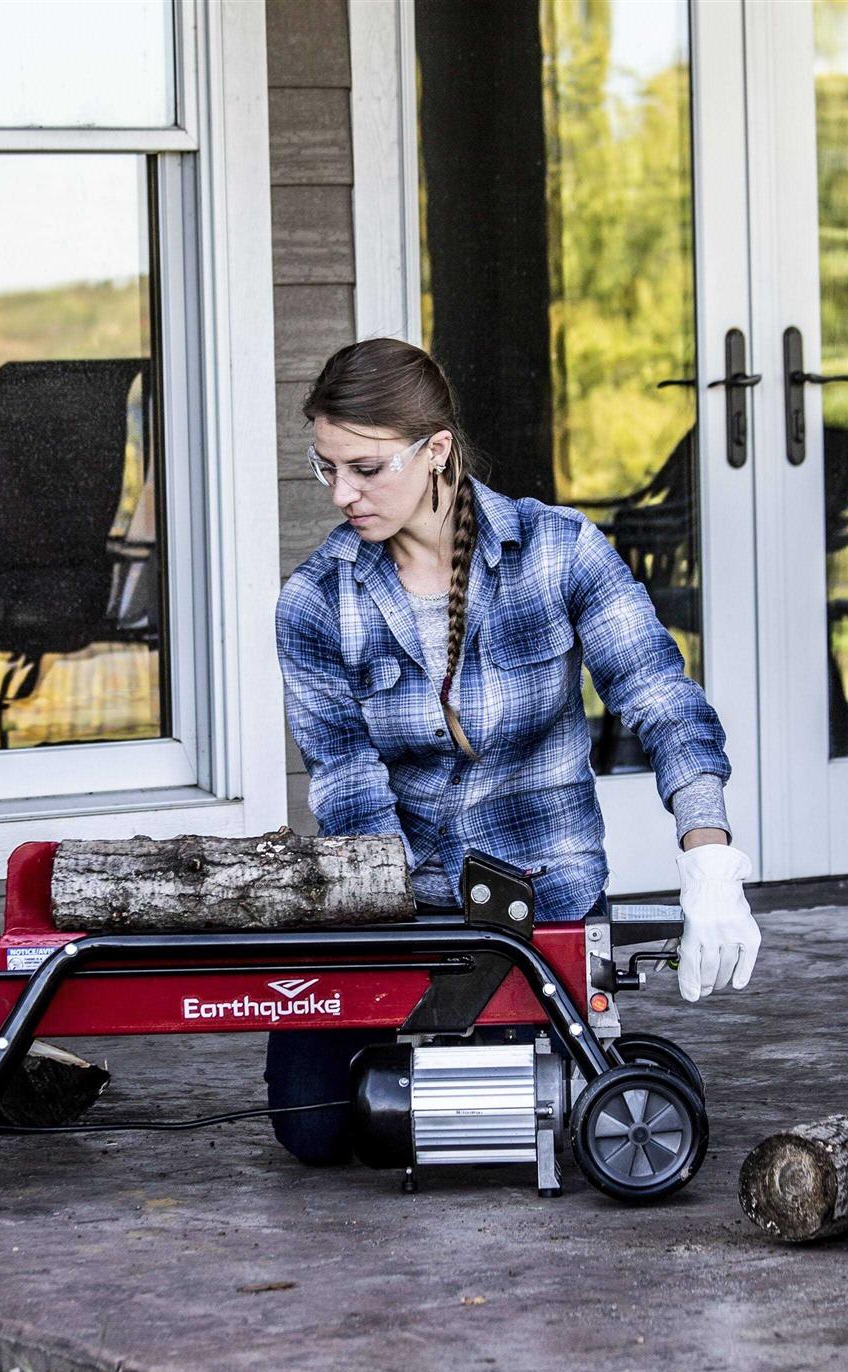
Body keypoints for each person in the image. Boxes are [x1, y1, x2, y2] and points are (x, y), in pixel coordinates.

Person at [267, 338, 761, 1164]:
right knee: (313, 1128)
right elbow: (347, 786)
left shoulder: (560, 551)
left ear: (436, 451)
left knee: (531, 1118)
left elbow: (661, 698)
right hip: (399, 905)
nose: (343, 493)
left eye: (365, 468)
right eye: (328, 469)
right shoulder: (315, 602)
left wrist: (710, 856)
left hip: (544, 896)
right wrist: (398, 952)